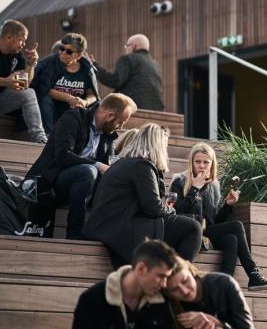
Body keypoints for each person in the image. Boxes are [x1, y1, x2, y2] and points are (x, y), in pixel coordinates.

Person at [84, 123, 202, 267]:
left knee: (184, 223)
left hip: (110, 226)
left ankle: (164, 273)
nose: (165, 150)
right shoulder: (142, 166)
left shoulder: (123, 163)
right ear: (156, 145)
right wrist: (171, 210)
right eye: (164, 145)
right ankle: (177, 279)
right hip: (122, 229)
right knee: (193, 226)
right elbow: (154, 208)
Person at [170, 142, 267, 291]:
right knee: (236, 226)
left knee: (232, 239)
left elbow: (214, 221)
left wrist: (228, 205)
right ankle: (253, 274)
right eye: (197, 162)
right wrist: (195, 190)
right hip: (189, 232)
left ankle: (222, 285)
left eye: (206, 162)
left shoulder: (214, 186)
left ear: (212, 164)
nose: (202, 166)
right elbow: (177, 214)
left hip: (207, 232)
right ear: (191, 163)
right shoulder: (179, 182)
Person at [25, 93, 135, 238]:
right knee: (88, 171)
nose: (120, 127)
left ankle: (106, 233)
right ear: (110, 116)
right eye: (121, 122)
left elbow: (107, 166)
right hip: (51, 181)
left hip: (82, 188)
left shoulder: (108, 135)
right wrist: (97, 165)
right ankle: (74, 232)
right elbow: (63, 155)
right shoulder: (74, 118)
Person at [71, 239, 178, 329]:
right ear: (141, 268)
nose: (164, 284)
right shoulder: (92, 299)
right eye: (161, 276)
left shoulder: (161, 302)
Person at [0, 19, 46, 142]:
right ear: (9, 37)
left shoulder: (17, 55)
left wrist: (30, 65)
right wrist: (6, 82)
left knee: (29, 93)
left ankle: (39, 138)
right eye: (22, 39)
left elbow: (23, 85)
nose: (24, 44)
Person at [165, 258, 260, 329]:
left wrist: (215, 322)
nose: (185, 291)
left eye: (185, 280)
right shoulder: (171, 307)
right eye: (174, 289)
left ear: (191, 272)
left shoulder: (223, 283)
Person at [31, 33, 99, 135]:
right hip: (53, 108)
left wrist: (84, 102)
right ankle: (47, 136)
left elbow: (93, 94)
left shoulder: (87, 69)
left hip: (75, 109)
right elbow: (44, 89)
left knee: (98, 107)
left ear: (79, 55)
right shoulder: (50, 63)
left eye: (68, 51)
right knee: (45, 100)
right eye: (61, 48)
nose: (63, 53)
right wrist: (69, 98)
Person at [90, 34, 165, 111]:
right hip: (156, 109)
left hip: (133, 107)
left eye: (127, 46)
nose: (126, 49)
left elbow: (115, 81)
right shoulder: (155, 64)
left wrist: (94, 67)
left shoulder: (128, 59)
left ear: (133, 46)